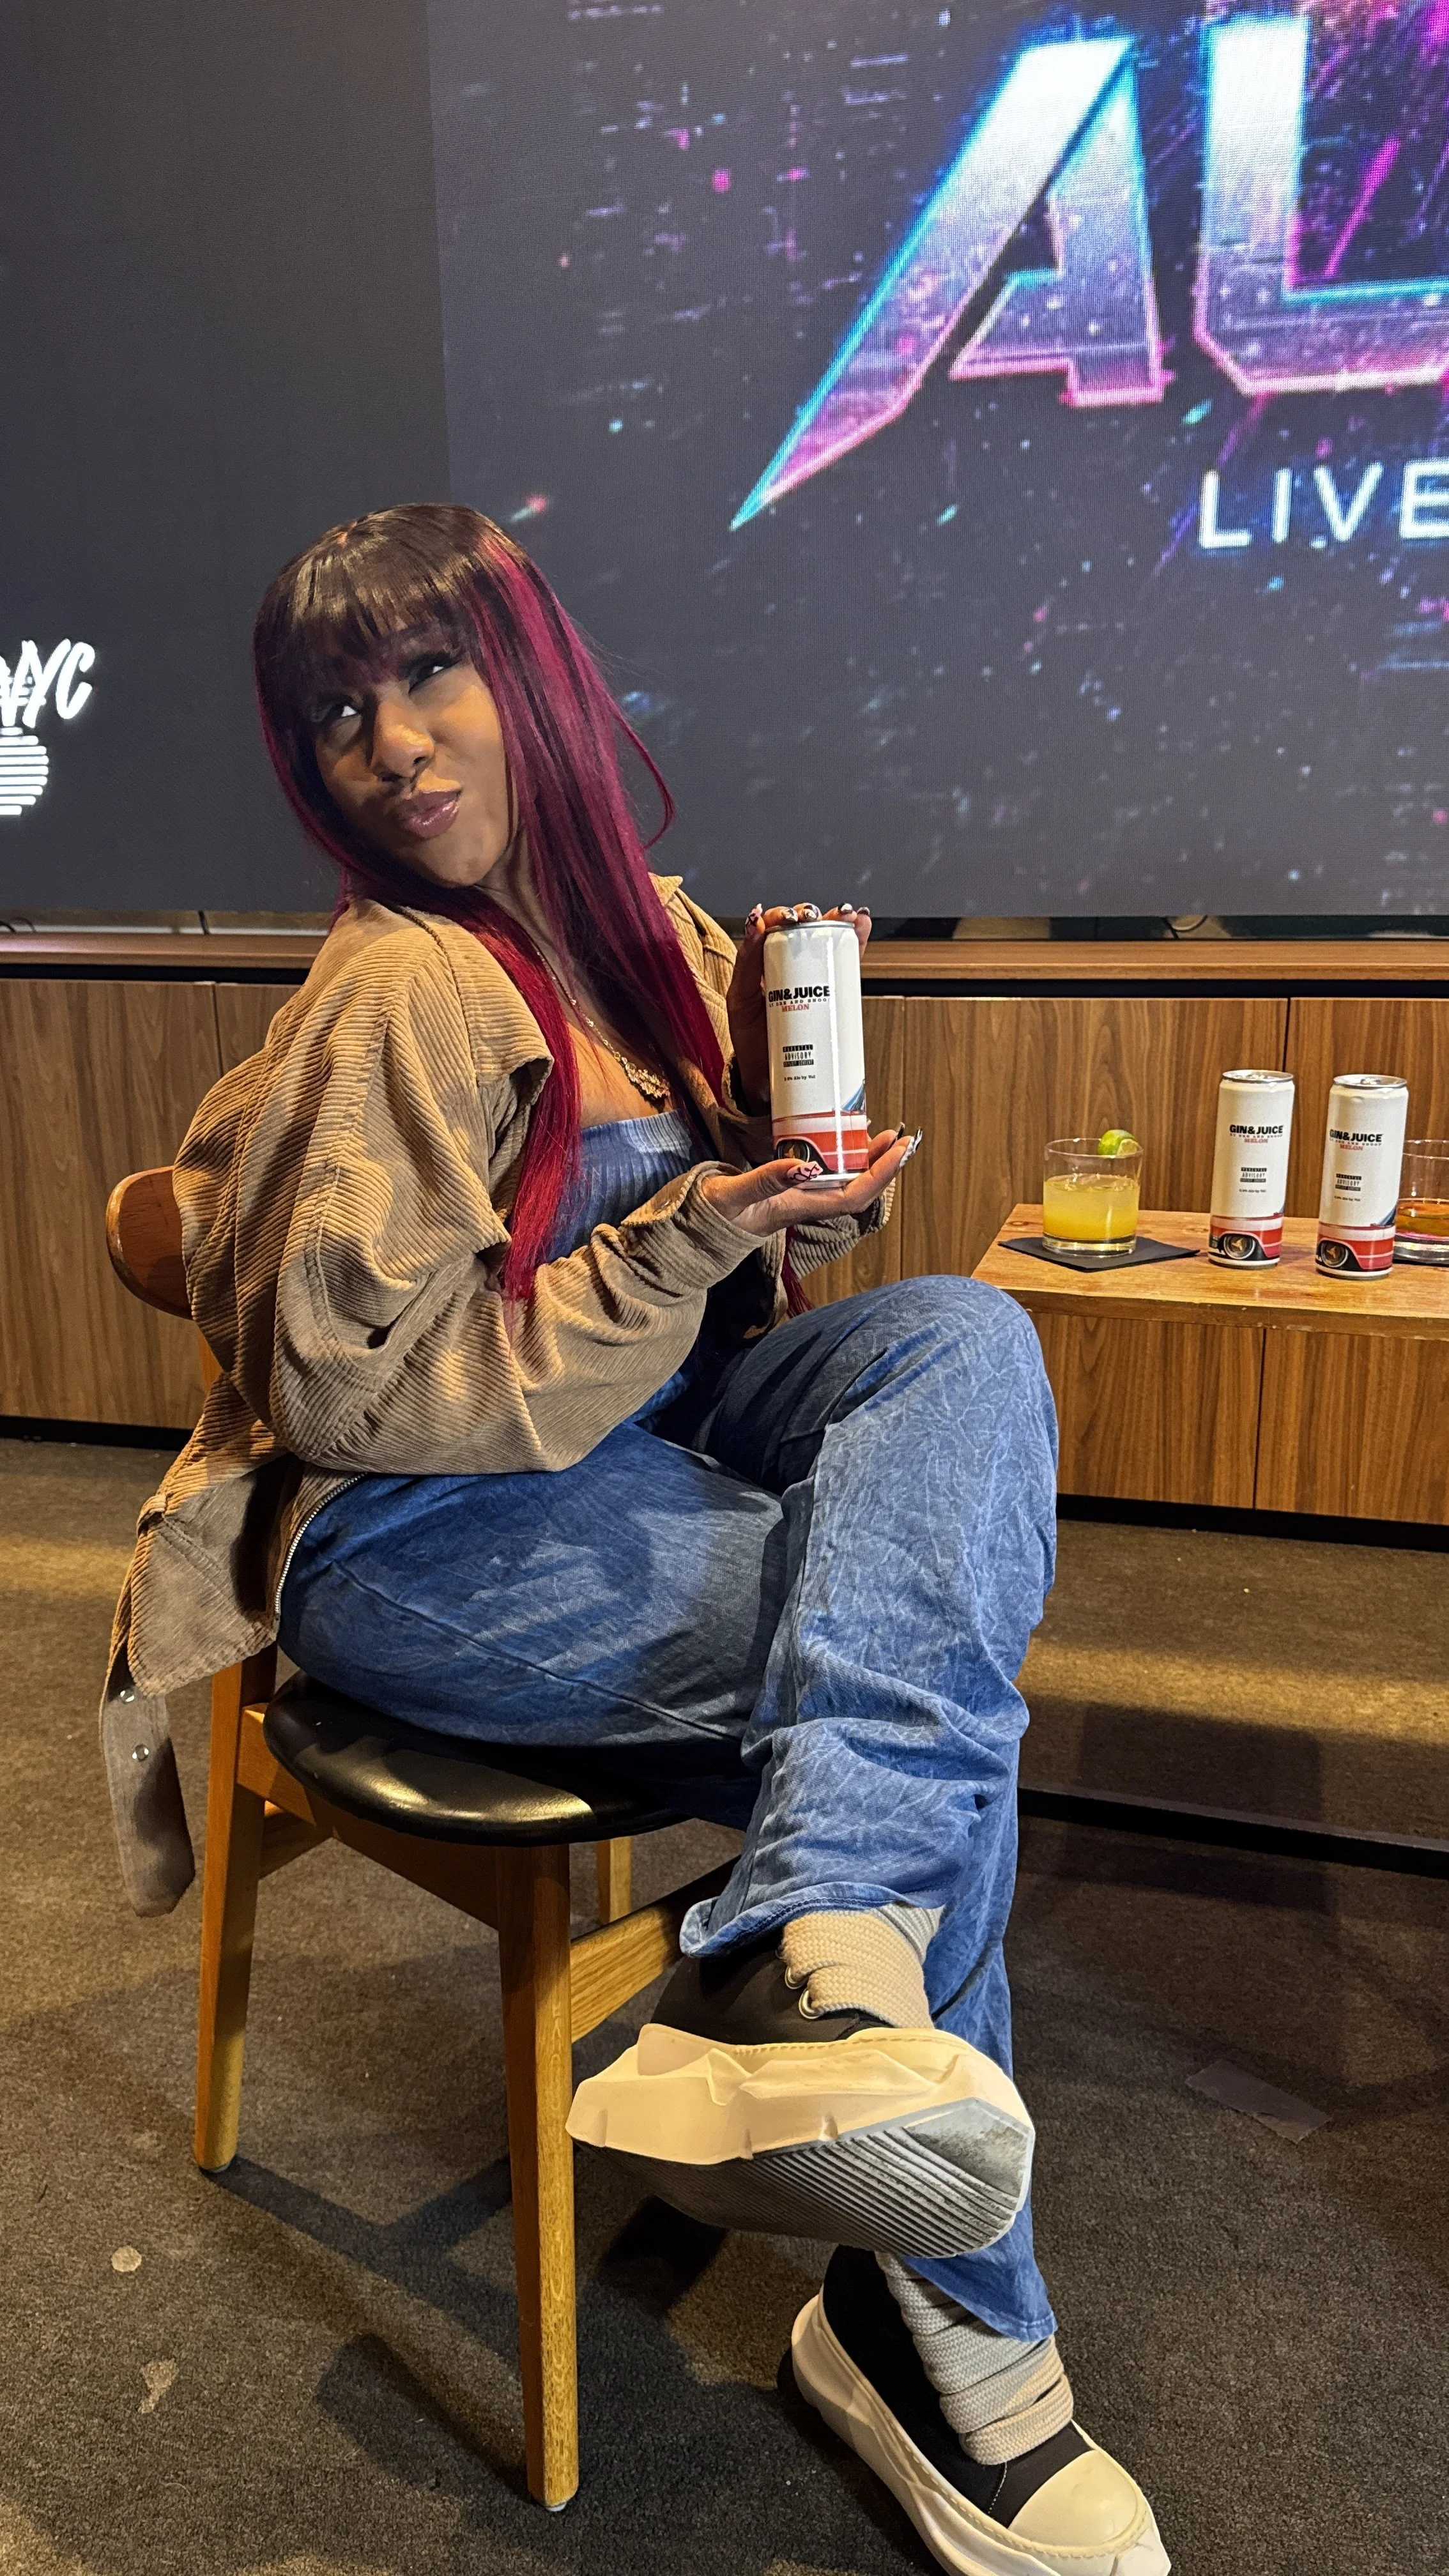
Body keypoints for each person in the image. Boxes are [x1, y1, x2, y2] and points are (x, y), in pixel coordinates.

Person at [100, 505, 1167, 2576]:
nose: (393, 745)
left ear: (537, 680)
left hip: (641, 1448)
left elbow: (706, 1286)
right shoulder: (408, 983)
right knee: (919, 1665)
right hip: (415, 1531)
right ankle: (946, 2344)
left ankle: (828, 1982)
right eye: (338, 713)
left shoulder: (650, 926)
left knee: (957, 1336)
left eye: (431, 676)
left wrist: (786, 1186)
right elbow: (351, 1396)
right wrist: (683, 1233)